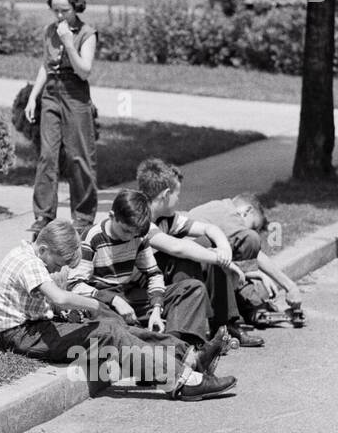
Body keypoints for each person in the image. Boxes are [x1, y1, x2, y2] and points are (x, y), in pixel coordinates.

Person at [0, 221, 232, 398]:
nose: (57, 269)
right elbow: (60, 297)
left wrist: (75, 312)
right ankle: (183, 380)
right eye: (58, 262)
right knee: (108, 331)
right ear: (44, 249)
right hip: (21, 335)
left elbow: (49, 302)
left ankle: (189, 356)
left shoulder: (28, 255)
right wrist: (95, 304)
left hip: (34, 328)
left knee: (113, 326)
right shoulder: (30, 263)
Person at [68, 190, 237, 398]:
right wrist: (113, 300)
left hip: (129, 295)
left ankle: (179, 357)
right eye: (125, 231)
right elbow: (75, 285)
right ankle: (188, 359)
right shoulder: (92, 238)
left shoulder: (138, 235)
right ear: (112, 216)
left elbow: (153, 273)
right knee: (116, 327)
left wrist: (157, 308)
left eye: (135, 233)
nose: (130, 237)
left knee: (191, 288)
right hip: (102, 300)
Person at [136, 159, 260, 347]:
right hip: (138, 290)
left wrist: (223, 249)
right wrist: (224, 261)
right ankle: (190, 334)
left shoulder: (165, 218)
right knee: (190, 255)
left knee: (205, 245)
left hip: (158, 280)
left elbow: (209, 228)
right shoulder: (140, 220)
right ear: (166, 194)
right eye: (178, 195)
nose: (179, 200)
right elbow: (177, 248)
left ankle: (225, 326)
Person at [25, 0, 98, 239]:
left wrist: (68, 42)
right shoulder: (49, 31)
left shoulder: (87, 33)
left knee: (79, 156)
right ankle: (43, 215)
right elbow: (45, 66)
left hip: (75, 93)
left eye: (64, 10)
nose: (59, 16)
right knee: (47, 156)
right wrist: (33, 96)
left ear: (76, 7)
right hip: (51, 95)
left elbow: (84, 70)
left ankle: (83, 216)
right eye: (55, 10)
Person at [186, 192, 303, 324]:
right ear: (247, 211)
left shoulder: (218, 209)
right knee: (247, 248)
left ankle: (255, 311)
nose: (250, 231)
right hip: (191, 269)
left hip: (191, 266)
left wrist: (255, 273)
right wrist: (290, 286)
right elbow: (254, 251)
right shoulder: (229, 213)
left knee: (240, 277)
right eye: (253, 226)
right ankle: (247, 313)